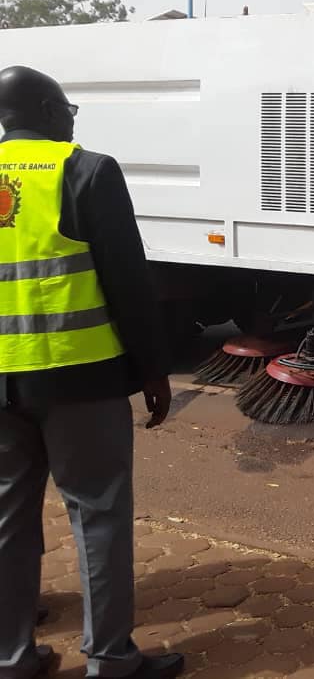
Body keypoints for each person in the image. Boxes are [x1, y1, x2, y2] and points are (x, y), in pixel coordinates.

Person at [0, 66, 183, 679]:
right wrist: (153, 370)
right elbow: (128, 282)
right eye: (68, 109)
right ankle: (109, 659)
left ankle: (11, 659)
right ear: (48, 111)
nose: (72, 120)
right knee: (98, 514)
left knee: (7, 519)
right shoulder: (85, 171)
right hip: (77, 378)